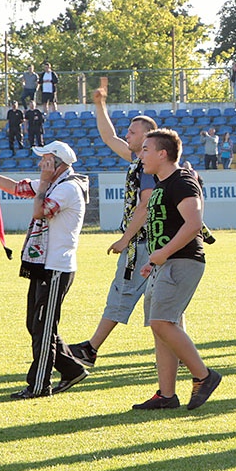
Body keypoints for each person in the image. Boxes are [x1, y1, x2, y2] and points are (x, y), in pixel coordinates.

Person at [0, 141, 90, 398]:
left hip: (56, 267)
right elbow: (16, 188)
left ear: (57, 165)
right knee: (36, 323)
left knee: (43, 326)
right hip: (44, 265)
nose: (41, 164)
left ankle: (40, 385)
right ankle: (72, 368)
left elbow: (40, 211)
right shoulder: (54, 184)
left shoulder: (67, 189)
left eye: (45, 160)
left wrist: (42, 181)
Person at [69, 87, 159, 369]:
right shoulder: (140, 161)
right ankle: (179, 352)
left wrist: (125, 239)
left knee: (123, 291)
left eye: (132, 132)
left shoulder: (147, 167)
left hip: (142, 243)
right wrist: (100, 105)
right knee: (162, 302)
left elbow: (145, 206)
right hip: (153, 243)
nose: (127, 135)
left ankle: (91, 349)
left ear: (147, 137)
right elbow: (109, 137)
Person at [132, 128, 222, 410]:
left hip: (181, 261)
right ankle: (166, 395)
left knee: (162, 323)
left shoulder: (182, 180)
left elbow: (194, 223)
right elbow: (166, 228)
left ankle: (204, 376)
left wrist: (163, 254)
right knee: (160, 328)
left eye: (146, 149)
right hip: (165, 263)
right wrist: (153, 260)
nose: (140, 154)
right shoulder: (162, 184)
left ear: (163, 153)